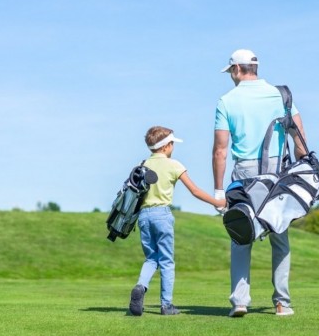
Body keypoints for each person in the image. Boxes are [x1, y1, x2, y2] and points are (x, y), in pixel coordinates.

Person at [212, 49, 308, 318]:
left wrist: (219, 190)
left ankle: (240, 302)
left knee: (241, 234)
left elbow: (220, 149)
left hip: (245, 173)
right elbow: (299, 139)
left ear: (236, 70)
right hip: (276, 172)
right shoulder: (280, 95)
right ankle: (282, 303)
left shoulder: (226, 100)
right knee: (280, 235)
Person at [129, 126, 226, 316]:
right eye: (172, 143)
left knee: (151, 258)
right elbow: (195, 191)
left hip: (143, 216)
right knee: (166, 261)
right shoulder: (174, 165)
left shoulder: (143, 164)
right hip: (162, 215)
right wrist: (217, 202)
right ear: (166, 146)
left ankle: (141, 285)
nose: (173, 147)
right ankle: (166, 305)